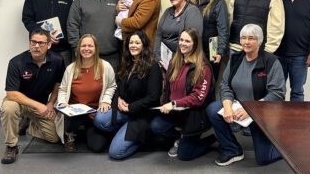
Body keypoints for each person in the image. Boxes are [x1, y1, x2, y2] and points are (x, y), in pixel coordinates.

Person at [206, 24, 285, 166]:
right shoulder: (235, 58)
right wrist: (228, 106)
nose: (246, 42)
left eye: (251, 38)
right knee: (212, 109)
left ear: (259, 41)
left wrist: (251, 110)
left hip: (262, 112)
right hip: (239, 105)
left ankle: (285, 146)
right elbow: (225, 85)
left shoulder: (272, 62)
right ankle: (232, 150)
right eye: (243, 38)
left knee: (263, 159)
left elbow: (277, 94)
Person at [94, 31, 162, 159]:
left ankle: (143, 139)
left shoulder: (153, 66)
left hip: (141, 115)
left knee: (115, 153)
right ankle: (124, 132)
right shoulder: (128, 63)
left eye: (137, 43)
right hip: (125, 112)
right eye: (131, 42)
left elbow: (154, 97)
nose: (133, 45)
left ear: (144, 45)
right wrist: (119, 98)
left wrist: (130, 107)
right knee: (99, 119)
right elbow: (119, 86)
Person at [0, 28, 65, 164]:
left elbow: (58, 84)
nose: (36, 46)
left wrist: (50, 104)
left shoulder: (57, 60)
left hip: (41, 105)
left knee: (54, 138)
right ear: (29, 43)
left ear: (49, 45)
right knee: (8, 108)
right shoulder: (16, 62)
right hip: (20, 102)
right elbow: (11, 93)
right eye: (33, 42)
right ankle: (11, 146)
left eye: (41, 43)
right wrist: (38, 105)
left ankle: (30, 125)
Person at [151, 28, 216, 161]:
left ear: (195, 44)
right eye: (181, 40)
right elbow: (167, 88)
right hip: (175, 112)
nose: (183, 43)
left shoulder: (203, 67)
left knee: (184, 155)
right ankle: (180, 137)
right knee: (156, 126)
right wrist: (164, 104)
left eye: (187, 41)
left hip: (193, 115)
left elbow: (198, 98)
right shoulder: (174, 61)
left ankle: (211, 140)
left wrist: (175, 103)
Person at [55, 34, 117, 152]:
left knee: (97, 146)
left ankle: (91, 129)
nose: (86, 49)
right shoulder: (71, 68)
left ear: (96, 48)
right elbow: (63, 89)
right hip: (74, 112)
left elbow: (111, 86)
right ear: (78, 49)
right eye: (83, 46)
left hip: (94, 112)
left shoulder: (105, 66)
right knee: (69, 122)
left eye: (90, 46)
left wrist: (105, 100)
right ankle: (70, 134)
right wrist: (62, 102)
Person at [67, 0, 120, 71]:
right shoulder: (80, 0)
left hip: (112, 56)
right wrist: (76, 48)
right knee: (87, 86)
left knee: (111, 86)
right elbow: (72, 25)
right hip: (87, 56)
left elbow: (124, 22)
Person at [22, 0, 73, 67]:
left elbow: (72, 21)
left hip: (63, 50)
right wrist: (45, 35)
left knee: (64, 81)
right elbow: (27, 20)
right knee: (41, 81)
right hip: (40, 49)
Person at [154, 0, 203, 67]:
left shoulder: (192, 12)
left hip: (181, 60)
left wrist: (175, 60)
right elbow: (158, 34)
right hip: (164, 60)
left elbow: (191, 41)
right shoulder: (168, 11)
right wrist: (157, 56)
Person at [193, 0, 229, 81]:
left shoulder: (219, 3)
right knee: (192, 81)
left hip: (211, 49)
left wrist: (220, 52)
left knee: (208, 82)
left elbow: (223, 29)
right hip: (193, 48)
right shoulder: (193, 2)